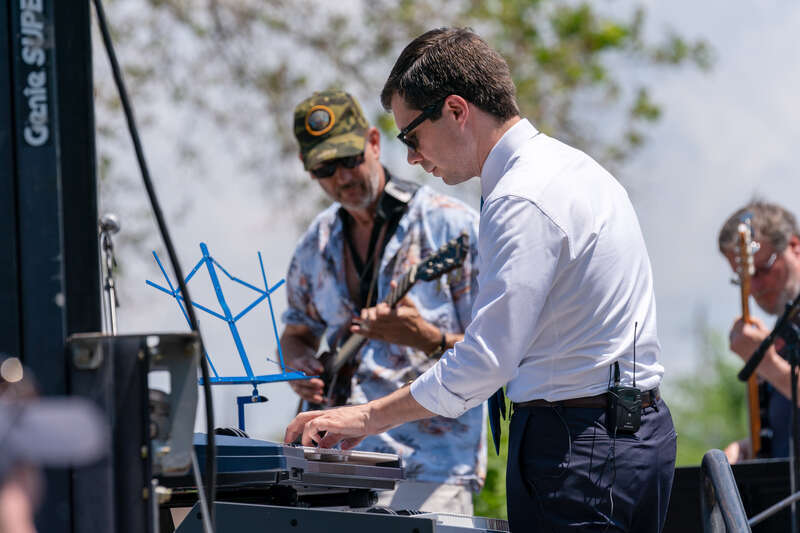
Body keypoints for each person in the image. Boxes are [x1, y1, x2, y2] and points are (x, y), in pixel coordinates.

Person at [285, 28, 676, 532]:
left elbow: (487, 359)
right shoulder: (574, 168)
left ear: (455, 110)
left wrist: (363, 417)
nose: (411, 157)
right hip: (626, 435)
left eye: (411, 135)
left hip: (577, 445)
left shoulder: (518, 197)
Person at [280, 90, 485, 514]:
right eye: (325, 167)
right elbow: (296, 333)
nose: (343, 177)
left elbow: (498, 352)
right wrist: (299, 364)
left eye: (351, 158)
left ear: (374, 142)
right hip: (332, 468)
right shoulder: (313, 244)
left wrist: (426, 337)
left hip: (430, 467)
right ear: (308, 169)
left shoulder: (452, 224)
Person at [718, 201, 800, 463]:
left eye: (762, 269)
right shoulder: (784, 327)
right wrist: (745, 449)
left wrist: (766, 363)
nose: (754, 287)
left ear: (795, 247)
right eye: (742, 277)